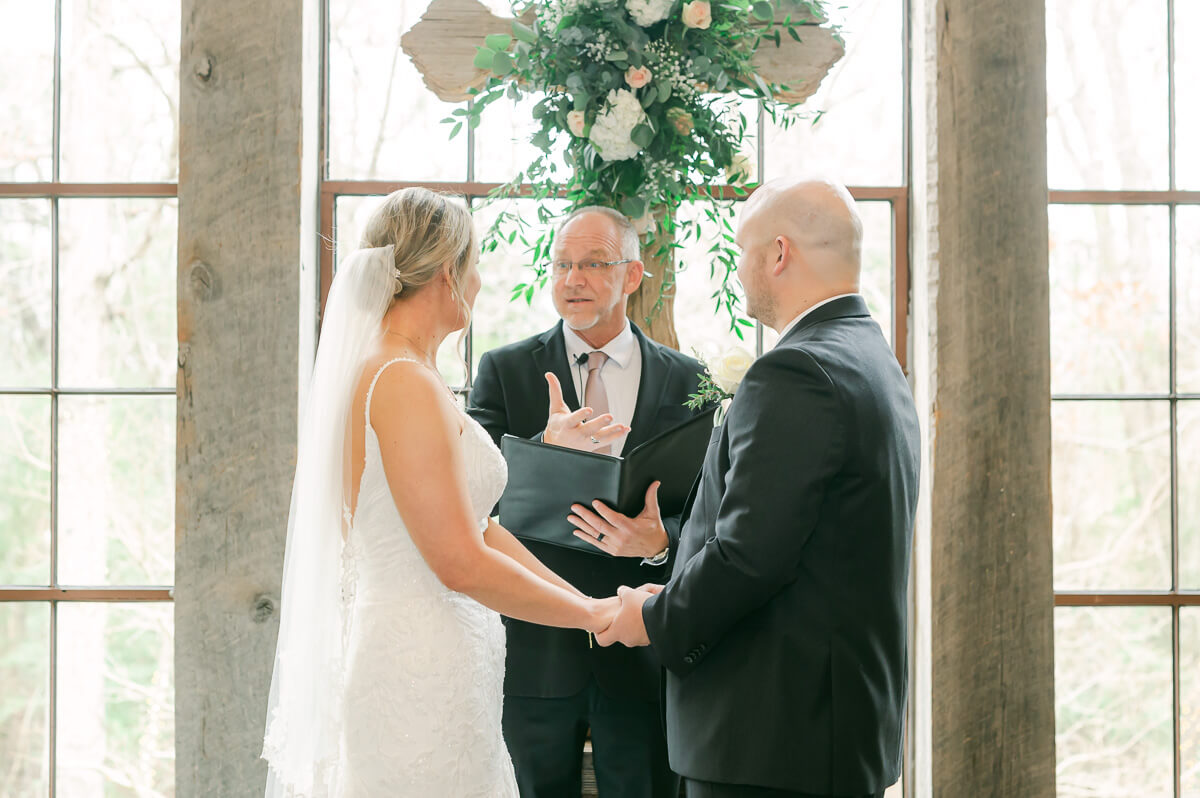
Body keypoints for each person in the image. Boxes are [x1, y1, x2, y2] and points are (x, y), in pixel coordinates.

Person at [261, 188, 619, 798]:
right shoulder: (399, 380)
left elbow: (481, 527)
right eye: (475, 264)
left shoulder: (407, 371)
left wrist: (589, 605)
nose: (480, 282)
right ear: (449, 272)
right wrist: (589, 615)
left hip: (448, 669)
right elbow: (458, 560)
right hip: (416, 674)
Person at [598, 177, 922, 798]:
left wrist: (654, 616)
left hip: (773, 744)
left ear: (778, 253)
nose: (738, 271)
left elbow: (750, 556)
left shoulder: (798, 371)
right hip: (826, 731)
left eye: (741, 251)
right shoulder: (870, 358)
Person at [468, 206, 709, 798]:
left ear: (632, 276)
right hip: (534, 650)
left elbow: (713, 508)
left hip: (642, 653)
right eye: (562, 264)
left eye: (593, 264)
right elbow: (472, 501)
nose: (572, 279)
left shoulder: (688, 380)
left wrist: (661, 543)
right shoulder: (504, 371)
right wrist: (545, 450)